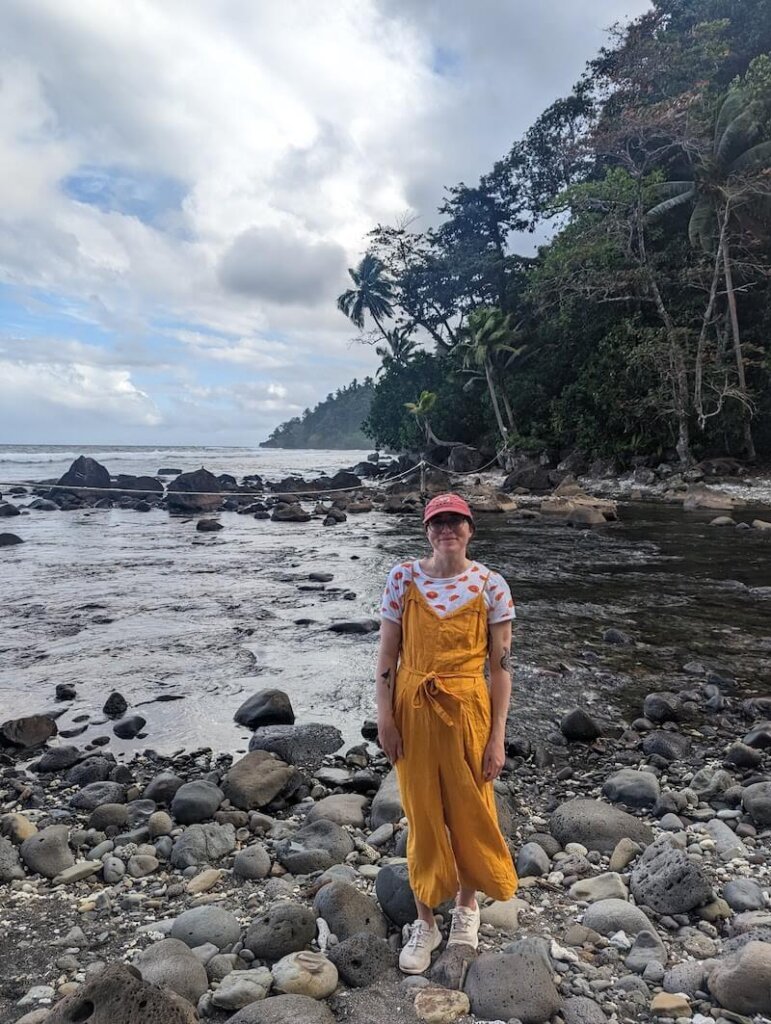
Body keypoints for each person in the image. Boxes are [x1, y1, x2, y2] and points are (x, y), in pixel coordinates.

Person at [376, 492, 518, 975]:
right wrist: (385, 716)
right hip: (412, 708)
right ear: (427, 530)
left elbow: (501, 670)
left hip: (469, 710)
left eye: (456, 521)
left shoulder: (492, 586)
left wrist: (497, 736)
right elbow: (387, 657)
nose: (447, 530)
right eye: (438, 522)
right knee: (422, 813)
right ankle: (425, 920)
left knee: (471, 810)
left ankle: (466, 909)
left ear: (470, 529)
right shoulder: (402, 578)